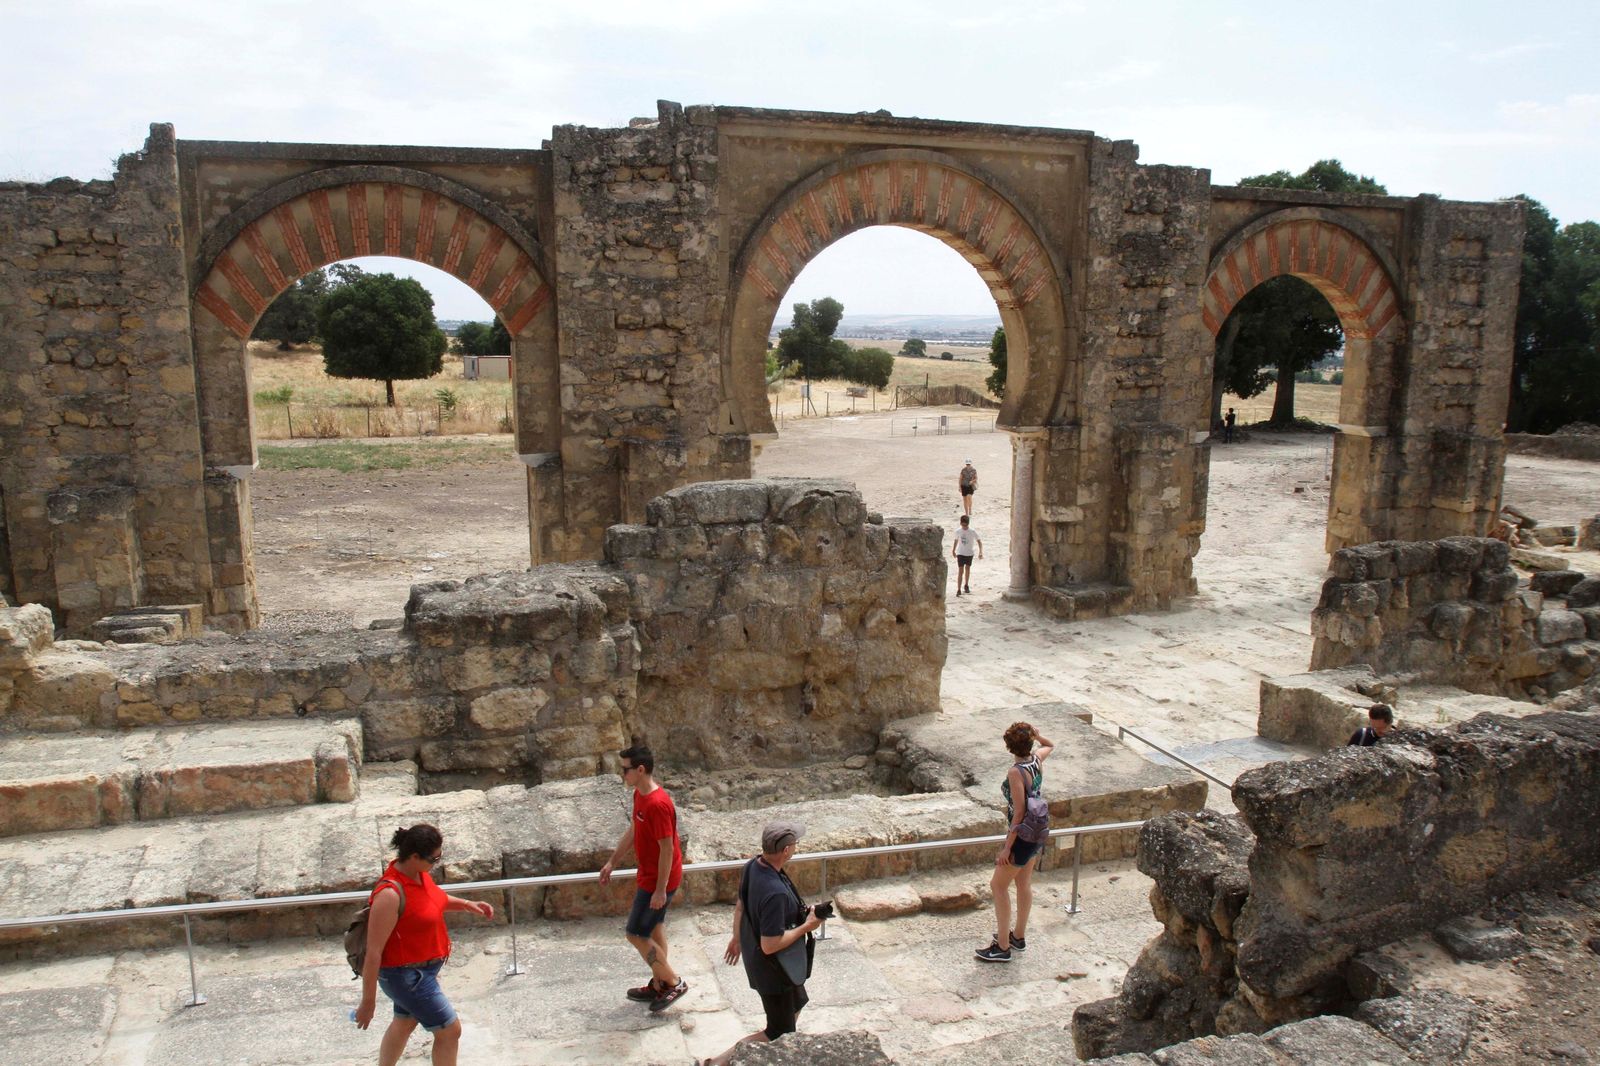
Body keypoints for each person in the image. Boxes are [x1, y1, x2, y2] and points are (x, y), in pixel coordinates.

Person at [354, 824, 495, 1066]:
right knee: (450, 1030)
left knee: (405, 1022)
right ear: (415, 856)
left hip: (421, 972)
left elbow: (434, 901)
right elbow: (374, 953)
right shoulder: (389, 894)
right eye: (434, 858)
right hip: (407, 977)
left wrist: (467, 904)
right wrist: (368, 1002)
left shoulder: (419, 875)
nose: (437, 863)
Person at [699, 821, 827, 1066]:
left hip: (771, 965)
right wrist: (807, 927)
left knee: (798, 1003)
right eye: (795, 844)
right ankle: (717, 1063)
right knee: (776, 1033)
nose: (796, 847)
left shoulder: (754, 866)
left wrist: (736, 938)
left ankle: (781, 1043)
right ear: (786, 850)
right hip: (774, 970)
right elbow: (770, 944)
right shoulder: (774, 891)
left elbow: (741, 906)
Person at [599, 744, 689, 1012]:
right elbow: (634, 830)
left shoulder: (658, 804)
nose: (622, 774)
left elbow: (667, 848)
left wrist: (660, 890)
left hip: (656, 882)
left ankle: (673, 982)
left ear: (640, 770)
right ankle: (660, 983)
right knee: (654, 928)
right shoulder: (640, 795)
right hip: (651, 877)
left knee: (635, 933)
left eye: (625, 769)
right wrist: (612, 861)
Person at [976, 721, 1054, 963]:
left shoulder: (1015, 772)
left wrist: (1007, 847)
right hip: (1037, 833)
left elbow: (1018, 813)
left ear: (1009, 746)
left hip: (1022, 836)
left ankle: (1002, 946)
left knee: (998, 886)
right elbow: (1050, 745)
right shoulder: (1037, 760)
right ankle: (1018, 936)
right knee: (1023, 884)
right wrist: (1039, 737)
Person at [952, 514, 983, 596]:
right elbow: (955, 540)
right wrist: (953, 550)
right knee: (960, 571)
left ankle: (966, 584)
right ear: (960, 523)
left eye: (966, 525)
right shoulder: (958, 531)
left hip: (969, 553)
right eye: (963, 525)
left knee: (967, 569)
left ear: (968, 524)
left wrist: (980, 552)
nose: (964, 527)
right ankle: (958, 589)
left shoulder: (972, 531)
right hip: (960, 553)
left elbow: (979, 541)